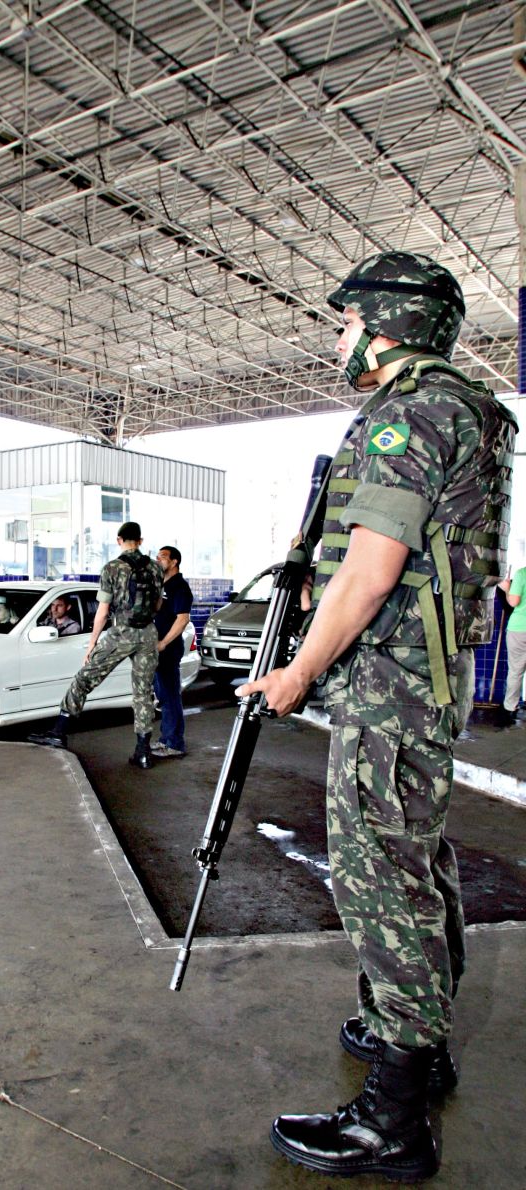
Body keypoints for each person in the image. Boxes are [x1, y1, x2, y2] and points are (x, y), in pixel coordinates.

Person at [237, 251, 516, 1182]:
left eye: (347, 319)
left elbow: (369, 569)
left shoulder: (409, 414)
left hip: (389, 686)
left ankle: (393, 1119)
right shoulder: (474, 409)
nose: (340, 337)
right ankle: (418, 1041)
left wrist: (297, 672)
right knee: (420, 864)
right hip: (426, 683)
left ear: (384, 321)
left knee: (379, 880)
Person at [29, 522, 164, 768]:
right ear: (141, 541)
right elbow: (157, 606)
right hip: (148, 634)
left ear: (119, 540)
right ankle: (143, 752)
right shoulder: (155, 568)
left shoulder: (112, 568)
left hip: (121, 632)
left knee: (85, 679)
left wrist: (92, 643)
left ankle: (58, 732)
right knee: (143, 692)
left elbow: (102, 611)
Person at [152, 546, 193, 758]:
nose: (158, 559)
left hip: (167, 650)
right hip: (157, 650)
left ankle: (175, 743)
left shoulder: (179, 587)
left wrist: (164, 643)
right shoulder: (163, 585)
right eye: (157, 556)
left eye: (163, 557)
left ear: (174, 561)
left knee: (170, 695)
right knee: (164, 697)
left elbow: (182, 619)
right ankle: (166, 739)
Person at [497, 566, 526, 725]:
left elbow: (514, 602)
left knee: (516, 670)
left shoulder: (522, 574)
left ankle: (510, 709)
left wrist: (507, 589)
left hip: (520, 628)